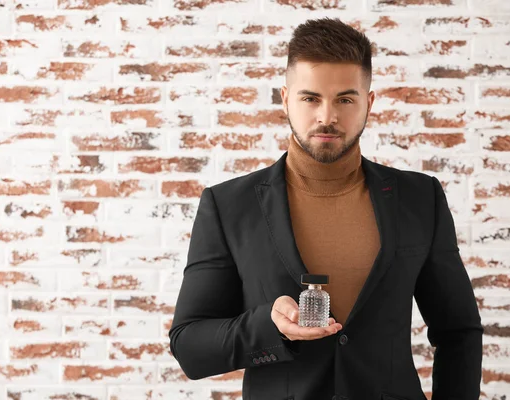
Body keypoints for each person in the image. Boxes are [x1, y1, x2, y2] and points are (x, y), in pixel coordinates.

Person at [168, 17, 483, 400]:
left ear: (368, 103)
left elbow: (458, 331)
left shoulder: (420, 197)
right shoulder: (228, 205)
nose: (327, 117)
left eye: (345, 99)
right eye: (310, 98)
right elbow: (189, 346)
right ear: (285, 98)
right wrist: (269, 325)